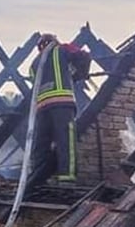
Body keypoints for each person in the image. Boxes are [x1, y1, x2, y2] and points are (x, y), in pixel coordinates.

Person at [27, 33, 92, 186]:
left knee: (40, 145)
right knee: (65, 141)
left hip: (42, 107)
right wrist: (79, 75)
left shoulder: (34, 64)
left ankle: (38, 179)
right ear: (54, 42)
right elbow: (84, 56)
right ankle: (67, 178)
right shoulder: (62, 49)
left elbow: (34, 87)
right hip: (62, 102)